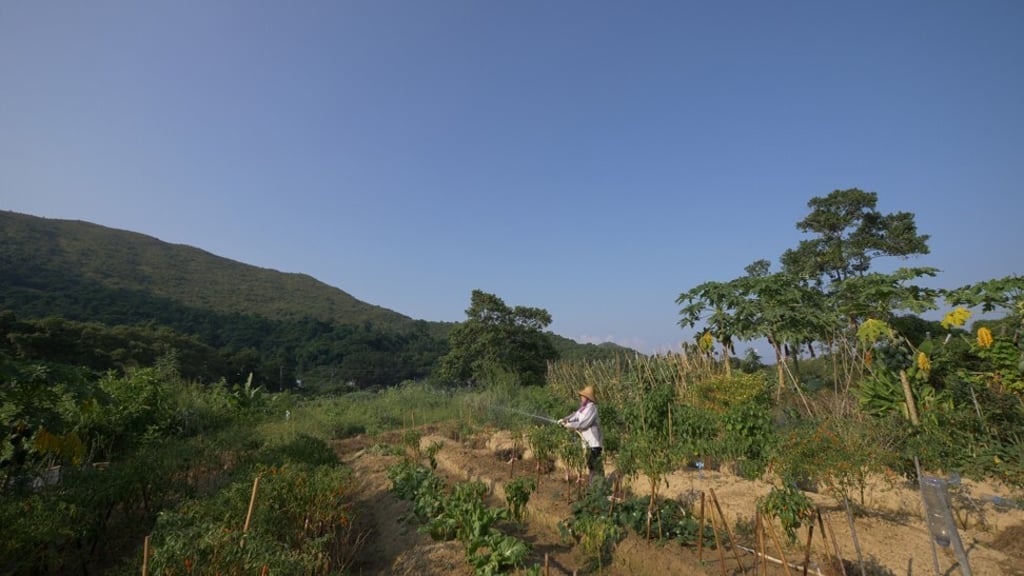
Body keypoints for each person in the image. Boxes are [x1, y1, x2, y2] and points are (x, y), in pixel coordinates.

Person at [559, 385, 603, 481]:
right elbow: (575, 415)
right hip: (587, 443)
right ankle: (596, 488)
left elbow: (583, 424)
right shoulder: (583, 408)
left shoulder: (592, 409)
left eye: (583, 396)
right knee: (591, 465)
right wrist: (565, 419)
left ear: (587, 398)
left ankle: (594, 490)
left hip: (594, 443)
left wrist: (569, 425)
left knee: (593, 466)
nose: (581, 398)